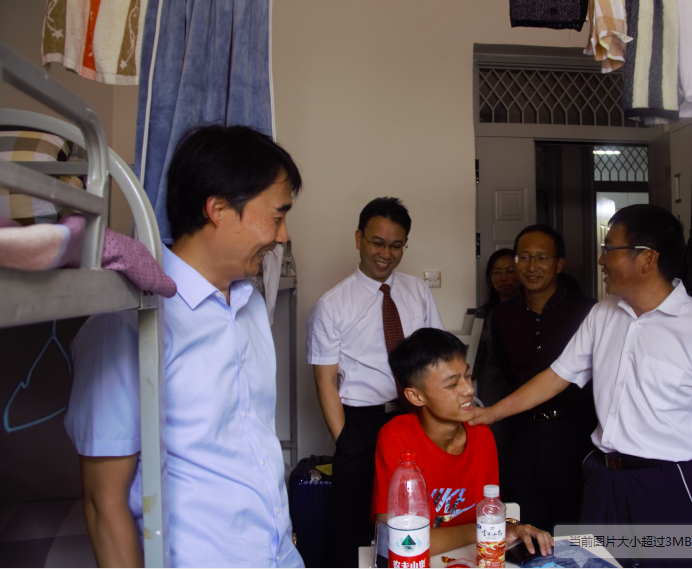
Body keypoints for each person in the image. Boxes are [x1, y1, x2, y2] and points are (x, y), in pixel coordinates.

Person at [65, 125, 304, 567]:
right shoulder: (125, 323)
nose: (283, 236)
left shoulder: (251, 306)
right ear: (217, 209)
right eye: (276, 216)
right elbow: (104, 504)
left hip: (279, 555)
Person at [471, 204, 692, 567]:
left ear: (647, 259)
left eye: (610, 249)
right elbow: (557, 376)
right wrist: (491, 414)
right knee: (596, 563)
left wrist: (688, 477)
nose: (601, 260)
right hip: (603, 479)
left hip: (666, 483)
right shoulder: (604, 312)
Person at [307, 197, 443, 567]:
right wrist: (345, 440)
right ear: (359, 239)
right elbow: (324, 381)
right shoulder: (332, 304)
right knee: (354, 529)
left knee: (415, 519)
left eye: (396, 245)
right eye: (377, 242)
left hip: (415, 419)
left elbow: (436, 359)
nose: (385, 254)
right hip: (361, 425)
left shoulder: (418, 292)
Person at [372, 328, 554, 558]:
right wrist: (489, 530)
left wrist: (511, 528)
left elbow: (490, 515)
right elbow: (404, 541)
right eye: (452, 385)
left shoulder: (482, 435)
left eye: (467, 376)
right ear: (416, 396)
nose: (469, 389)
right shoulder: (396, 437)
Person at [488, 225, 597, 534]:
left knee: (574, 528)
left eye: (541, 257)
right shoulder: (502, 315)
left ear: (559, 263)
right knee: (526, 523)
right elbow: (508, 372)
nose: (531, 266)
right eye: (524, 257)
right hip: (523, 431)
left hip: (576, 432)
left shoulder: (589, 311)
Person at [472, 248, 520, 408]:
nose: (503, 277)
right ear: (490, 277)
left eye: (510, 271)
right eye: (497, 272)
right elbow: (477, 361)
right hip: (492, 395)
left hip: (525, 394)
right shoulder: (484, 316)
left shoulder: (532, 312)